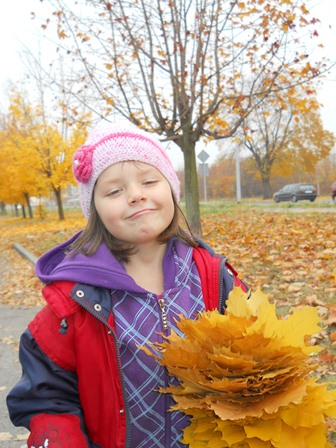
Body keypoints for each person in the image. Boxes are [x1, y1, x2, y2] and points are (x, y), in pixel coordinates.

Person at [7, 121, 248, 448]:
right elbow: (46, 396)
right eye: (114, 190)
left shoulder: (214, 278)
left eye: (149, 180)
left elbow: (255, 359)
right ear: (95, 210)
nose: (136, 195)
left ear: (171, 189)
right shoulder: (75, 298)